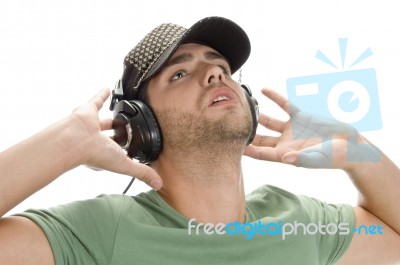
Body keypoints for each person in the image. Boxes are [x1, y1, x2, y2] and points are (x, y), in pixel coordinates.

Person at [0, 16, 399, 265]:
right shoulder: (102, 230)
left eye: (220, 66)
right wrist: (63, 145)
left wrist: (359, 152)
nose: (215, 75)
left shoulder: (298, 220)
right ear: (141, 126)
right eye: (179, 73)